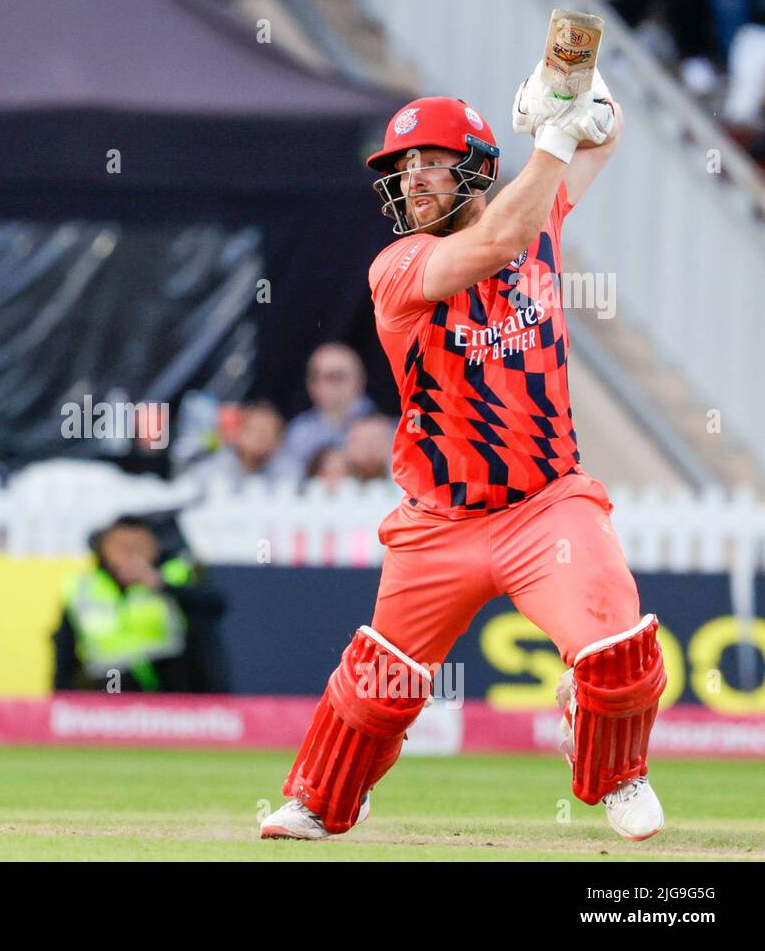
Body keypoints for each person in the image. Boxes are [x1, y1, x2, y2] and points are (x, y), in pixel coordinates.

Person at [262, 73, 668, 843]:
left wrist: (579, 95)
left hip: (547, 504)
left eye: (431, 163)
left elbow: (606, 135)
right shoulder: (399, 269)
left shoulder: (534, 211)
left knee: (615, 650)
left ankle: (615, 770)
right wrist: (551, 134)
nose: (411, 181)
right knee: (376, 690)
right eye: (401, 169)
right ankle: (323, 800)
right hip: (439, 524)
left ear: (477, 169)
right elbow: (499, 239)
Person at [52, 515, 226, 693]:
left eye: (138, 546)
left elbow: (214, 607)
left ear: (154, 546)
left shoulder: (175, 575)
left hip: (170, 688)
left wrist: (161, 585)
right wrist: (59, 700)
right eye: (121, 546)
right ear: (103, 548)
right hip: (107, 688)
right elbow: (64, 649)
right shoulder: (83, 587)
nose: (129, 553)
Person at [276, 344, 375, 470]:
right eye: (327, 377)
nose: (332, 385)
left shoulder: (387, 428)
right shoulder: (299, 433)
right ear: (311, 385)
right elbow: (287, 479)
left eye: (338, 376)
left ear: (360, 379)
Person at [180, 400, 296, 488]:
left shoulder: (289, 472)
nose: (257, 438)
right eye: (251, 429)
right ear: (238, 432)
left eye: (264, 433)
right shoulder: (213, 468)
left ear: (278, 441)